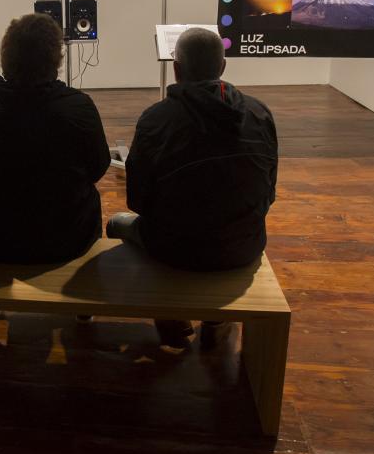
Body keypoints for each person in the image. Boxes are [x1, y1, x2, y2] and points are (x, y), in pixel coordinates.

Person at [107, 28, 279, 347]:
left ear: (176, 69)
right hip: (244, 245)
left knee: (117, 224)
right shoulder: (259, 113)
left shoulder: (156, 119)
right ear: (223, 67)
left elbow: (138, 201)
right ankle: (216, 320)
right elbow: (268, 193)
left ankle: (169, 314)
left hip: (174, 248)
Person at [0, 13, 111, 271]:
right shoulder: (79, 107)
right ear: (55, 59)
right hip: (68, 240)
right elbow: (98, 167)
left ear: (6, 57)